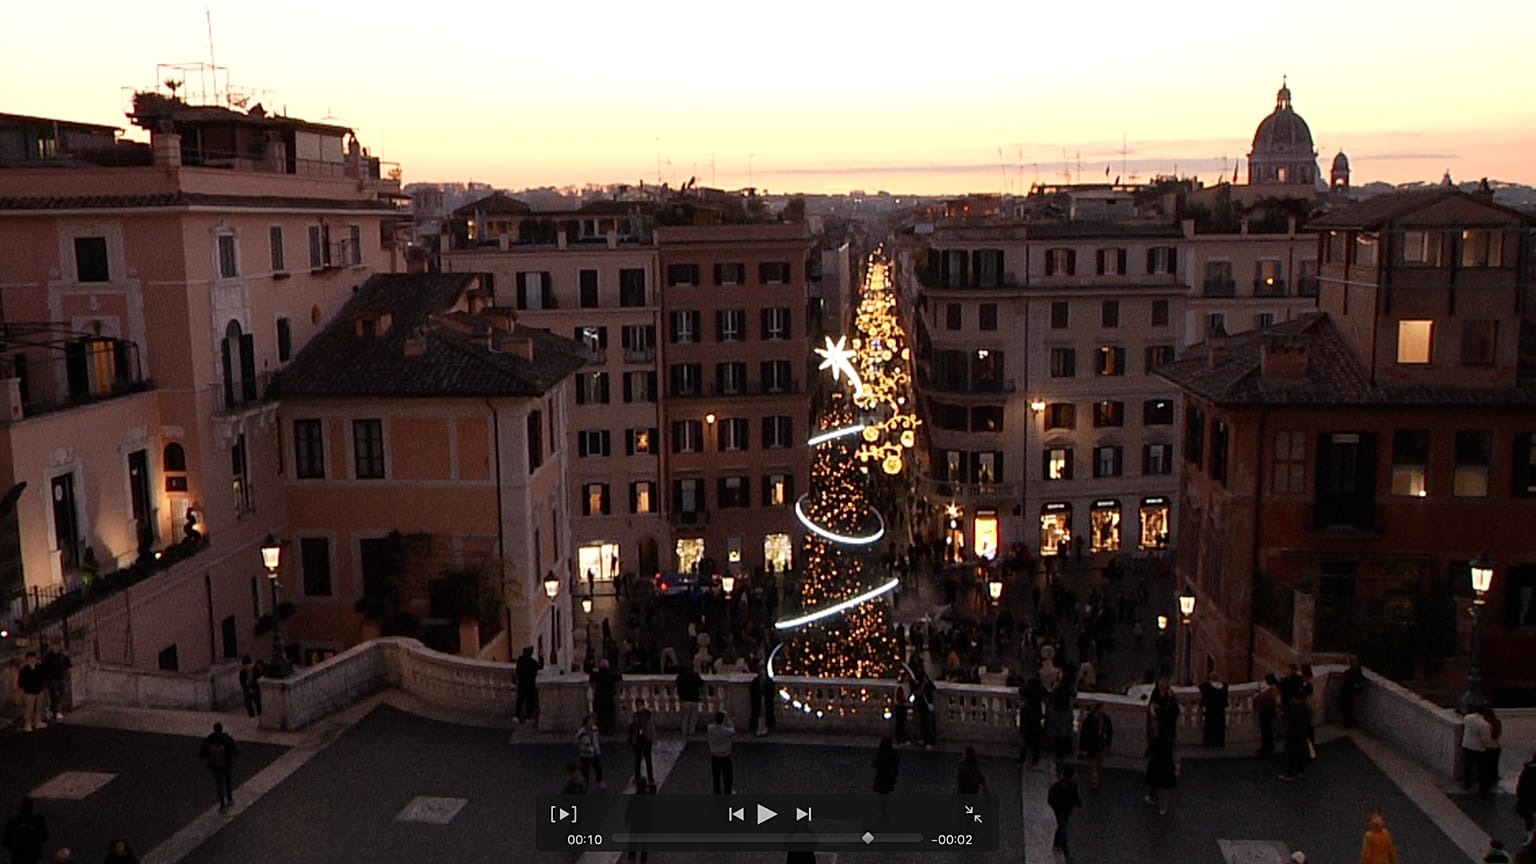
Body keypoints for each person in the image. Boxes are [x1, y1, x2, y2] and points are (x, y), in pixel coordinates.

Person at [199, 722, 239, 812]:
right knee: (227, 780)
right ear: (222, 729)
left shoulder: (209, 739)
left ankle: (222, 805)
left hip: (214, 765)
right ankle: (229, 799)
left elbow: (202, 753)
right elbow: (235, 751)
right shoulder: (227, 739)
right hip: (226, 764)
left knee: (219, 784)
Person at [1047, 766, 1082, 863]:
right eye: (1075, 775)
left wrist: (1078, 803)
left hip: (1067, 809)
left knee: (1062, 826)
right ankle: (1064, 847)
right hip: (1060, 810)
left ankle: (1057, 843)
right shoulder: (1058, 786)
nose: (1076, 776)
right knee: (1063, 827)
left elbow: (1075, 795)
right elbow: (1051, 798)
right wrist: (1056, 807)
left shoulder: (1072, 785)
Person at [1078, 702, 1113, 792]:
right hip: (1092, 745)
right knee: (1093, 765)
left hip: (1100, 745)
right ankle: (1095, 784)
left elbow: (1109, 733)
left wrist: (1107, 744)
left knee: (1097, 765)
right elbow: (1084, 734)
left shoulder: (1105, 719)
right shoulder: (1091, 720)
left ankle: (1095, 781)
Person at [2, 798, 47, 864]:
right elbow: (44, 836)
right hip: (34, 855)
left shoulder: (14, 821)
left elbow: (6, 841)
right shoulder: (38, 819)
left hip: (18, 856)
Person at [1278, 694, 1311, 781]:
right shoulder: (1306, 708)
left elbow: (1288, 721)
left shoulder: (1295, 710)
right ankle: (1300, 771)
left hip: (1293, 734)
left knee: (1291, 753)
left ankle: (1290, 773)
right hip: (1302, 734)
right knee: (1300, 753)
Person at [623, 781, 656, 863]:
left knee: (633, 842)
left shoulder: (635, 797)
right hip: (644, 823)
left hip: (636, 823)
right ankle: (642, 859)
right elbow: (653, 788)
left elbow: (629, 810)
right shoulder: (648, 796)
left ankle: (632, 858)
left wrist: (627, 819)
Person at [1019, 673, 1045, 768]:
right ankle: (1035, 759)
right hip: (1036, 715)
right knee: (1036, 740)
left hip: (1027, 715)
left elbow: (1021, 691)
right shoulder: (1040, 690)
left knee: (1024, 739)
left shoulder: (1027, 691)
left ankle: (1022, 759)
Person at [1463, 708, 1493, 792]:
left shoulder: (1467, 718)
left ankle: (1467, 784)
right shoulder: (1484, 724)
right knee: (1481, 768)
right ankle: (1482, 786)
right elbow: (1485, 739)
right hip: (1479, 748)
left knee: (1467, 765)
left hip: (1467, 744)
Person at [707, 711, 735, 794]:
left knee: (716, 775)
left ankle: (717, 792)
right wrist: (728, 720)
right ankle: (727, 791)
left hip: (714, 755)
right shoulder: (727, 731)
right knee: (727, 776)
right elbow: (733, 730)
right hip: (725, 755)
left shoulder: (710, 728)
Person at [40, 643, 70, 723]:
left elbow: (68, 665)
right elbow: (45, 668)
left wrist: (66, 673)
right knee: (54, 695)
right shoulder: (48, 657)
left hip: (61, 678)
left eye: (57, 647)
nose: (56, 648)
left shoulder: (62, 656)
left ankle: (54, 709)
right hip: (52, 679)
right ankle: (55, 711)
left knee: (63, 692)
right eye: (54, 647)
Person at [16, 653, 46, 733]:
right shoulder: (24, 670)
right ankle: (28, 724)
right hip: (29, 692)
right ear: (27, 660)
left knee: (39, 707)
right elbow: (21, 682)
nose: (32, 660)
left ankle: (38, 722)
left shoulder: (40, 667)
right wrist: (22, 692)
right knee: (29, 709)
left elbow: (44, 677)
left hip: (39, 690)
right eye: (30, 658)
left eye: (33, 658)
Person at [629, 698, 656, 785]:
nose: (638, 707)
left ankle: (651, 778)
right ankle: (637, 776)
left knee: (648, 759)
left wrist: (653, 739)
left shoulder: (647, 714)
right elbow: (632, 726)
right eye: (637, 705)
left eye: (640, 705)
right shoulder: (635, 715)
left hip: (646, 739)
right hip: (637, 739)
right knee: (637, 760)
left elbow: (650, 726)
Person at [575, 714, 605, 791]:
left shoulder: (595, 729)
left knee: (598, 768)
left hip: (595, 752)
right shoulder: (581, 732)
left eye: (592, 721)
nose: (591, 723)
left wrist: (598, 747)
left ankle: (600, 782)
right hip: (585, 754)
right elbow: (576, 743)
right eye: (590, 722)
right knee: (585, 771)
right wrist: (581, 750)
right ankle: (585, 785)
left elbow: (597, 738)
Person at [514, 647, 543, 725]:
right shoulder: (533, 662)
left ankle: (517, 716)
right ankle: (528, 717)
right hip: (530, 685)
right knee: (530, 701)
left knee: (520, 700)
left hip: (521, 684)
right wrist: (541, 657)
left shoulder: (520, 661)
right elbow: (540, 667)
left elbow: (517, 671)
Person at [591, 659, 620, 736]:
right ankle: (609, 731)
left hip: (599, 697)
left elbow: (591, 677)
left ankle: (602, 731)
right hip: (608, 697)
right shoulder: (610, 674)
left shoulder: (597, 675)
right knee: (609, 715)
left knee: (600, 715)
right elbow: (619, 676)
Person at [1200, 672, 1228, 748]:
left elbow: (1202, 686)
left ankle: (1210, 743)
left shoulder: (1208, 687)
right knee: (1220, 727)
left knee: (1210, 727)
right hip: (1220, 710)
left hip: (1211, 710)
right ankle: (1220, 743)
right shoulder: (1224, 687)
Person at [1255, 673, 1280, 757]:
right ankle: (1268, 747)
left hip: (1266, 711)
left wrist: (1259, 693)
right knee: (1267, 730)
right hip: (1268, 710)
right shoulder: (1273, 688)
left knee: (1266, 730)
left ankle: (1266, 748)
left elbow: (1262, 698)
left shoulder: (1271, 690)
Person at [676, 665, 703, 737]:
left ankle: (684, 731)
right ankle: (691, 731)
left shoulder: (680, 677)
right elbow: (701, 683)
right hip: (694, 699)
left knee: (685, 717)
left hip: (684, 700)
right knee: (693, 718)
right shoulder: (695, 676)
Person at [1483, 708, 1504, 796]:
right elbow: (1498, 733)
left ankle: (1488, 779)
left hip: (1488, 747)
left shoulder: (1485, 724)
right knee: (1494, 763)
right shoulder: (1497, 722)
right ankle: (1494, 777)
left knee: (1487, 764)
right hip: (1496, 746)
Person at [1340, 655, 1366, 729]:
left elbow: (1358, 682)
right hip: (1347, 691)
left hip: (1349, 692)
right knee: (1346, 707)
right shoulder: (1352, 671)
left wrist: (1356, 688)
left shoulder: (1357, 672)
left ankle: (1348, 723)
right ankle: (1347, 723)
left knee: (1348, 708)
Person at [916, 673, 938, 748]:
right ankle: (924, 738)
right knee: (923, 724)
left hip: (928, 708)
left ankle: (930, 741)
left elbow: (934, 694)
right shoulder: (921, 685)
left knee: (929, 725)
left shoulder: (930, 686)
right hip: (922, 707)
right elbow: (917, 694)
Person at [1517, 750, 1536, 831]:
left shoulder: (1528, 769)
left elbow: (1521, 785)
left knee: (1529, 820)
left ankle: (1529, 830)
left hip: (1528, 800)